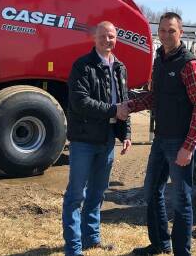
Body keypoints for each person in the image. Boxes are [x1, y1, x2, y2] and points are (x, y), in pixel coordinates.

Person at [130, 12, 196, 256]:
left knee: (181, 200)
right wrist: (129, 106)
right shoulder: (160, 60)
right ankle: (159, 243)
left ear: (181, 32)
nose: (166, 35)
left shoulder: (189, 64)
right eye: (162, 30)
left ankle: (181, 252)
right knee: (151, 191)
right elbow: (155, 96)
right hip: (161, 138)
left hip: (179, 142)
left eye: (171, 30)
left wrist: (189, 146)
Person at [62, 21, 132, 256]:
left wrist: (127, 133)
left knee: (97, 192)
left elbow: (124, 102)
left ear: (116, 39)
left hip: (108, 139)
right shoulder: (82, 66)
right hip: (84, 140)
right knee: (76, 195)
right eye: (103, 36)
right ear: (95, 38)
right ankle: (73, 248)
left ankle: (91, 238)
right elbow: (80, 103)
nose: (107, 40)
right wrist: (114, 110)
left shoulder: (120, 67)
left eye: (111, 36)